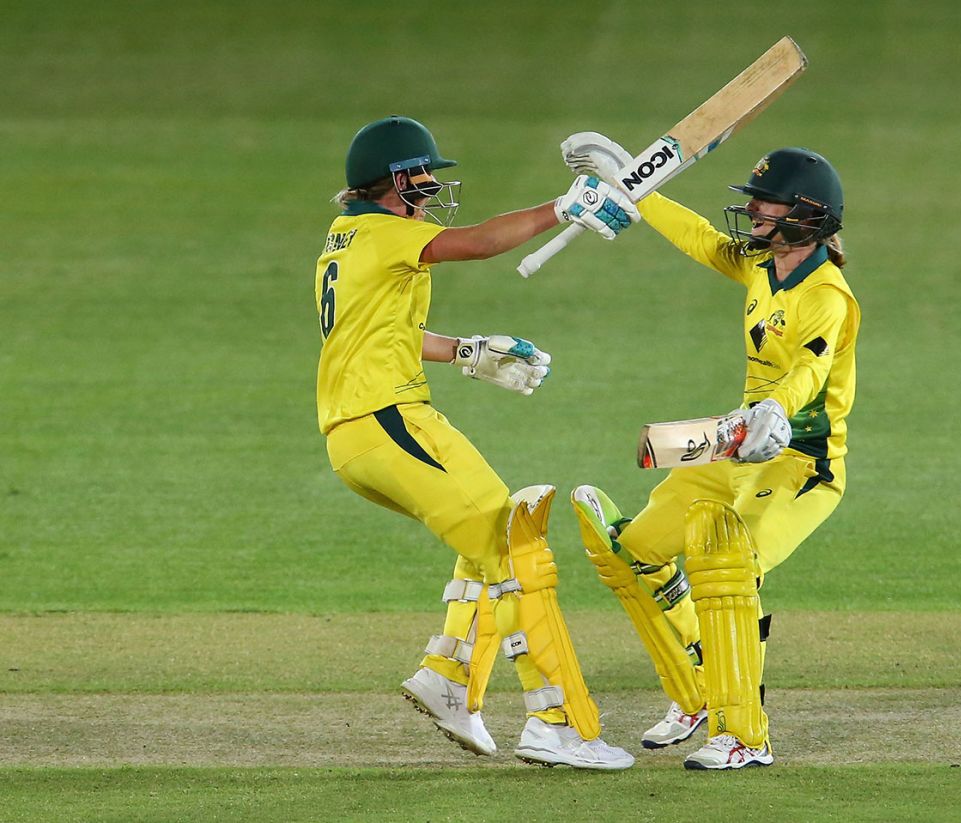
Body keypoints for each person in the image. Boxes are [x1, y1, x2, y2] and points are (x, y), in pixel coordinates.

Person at [315, 116, 640, 770]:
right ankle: (557, 722)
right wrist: (562, 205)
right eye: (424, 179)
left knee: (493, 533)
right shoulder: (387, 231)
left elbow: (381, 334)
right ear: (398, 179)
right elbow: (481, 242)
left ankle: (449, 678)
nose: (433, 191)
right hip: (390, 419)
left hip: (356, 436)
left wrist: (463, 349)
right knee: (520, 549)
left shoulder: (344, 238)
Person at [560, 133, 860, 770]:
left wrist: (777, 407)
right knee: (634, 554)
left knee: (729, 568)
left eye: (765, 205)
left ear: (806, 215)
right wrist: (637, 190)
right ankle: (697, 693)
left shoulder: (827, 294)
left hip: (799, 461)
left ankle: (745, 735)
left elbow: (812, 367)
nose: (752, 213)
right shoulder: (759, 264)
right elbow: (700, 238)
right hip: (734, 446)